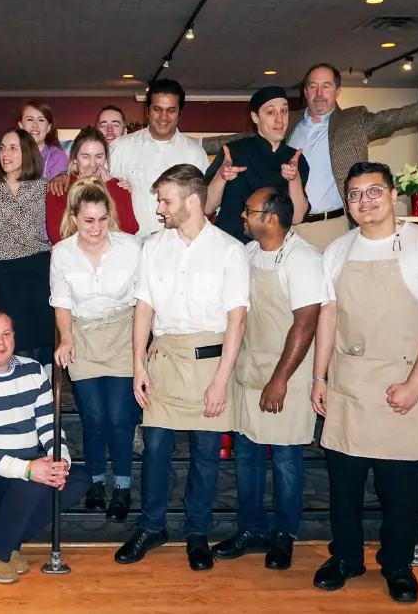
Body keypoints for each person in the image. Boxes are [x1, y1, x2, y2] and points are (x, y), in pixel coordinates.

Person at [311, 162, 418, 604]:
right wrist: (320, 377)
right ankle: (346, 558)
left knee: (399, 489)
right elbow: (329, 317)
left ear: (393, 194)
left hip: (403, 381)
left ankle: (397, 563)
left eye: (373, 191)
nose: (364, 201)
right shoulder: (337, 249)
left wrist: (415, 384)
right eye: (355, 194)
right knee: (344, 485)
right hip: (349, 385)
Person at [202, 62, 418, 249]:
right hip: (287, 228)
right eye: (312, 86)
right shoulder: (285, 121)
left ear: (338, 91)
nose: (319, 93)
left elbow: (403, 116)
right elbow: (242, 140)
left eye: (326, 86)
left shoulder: (356, 120)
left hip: (334, 226)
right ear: (304, 91)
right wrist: (191, 143)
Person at [115, 164, 249, 571]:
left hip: (211, 362)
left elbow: (237, 320)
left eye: (165, 200)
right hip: (165, 358)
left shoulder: (230, 250)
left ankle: (197, 532)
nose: (159, 208)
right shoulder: (154, 246)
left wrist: (221, 381)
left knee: (206, 455)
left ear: (193, 200)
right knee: (155, 449)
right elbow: (144, 309)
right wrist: (138, 365)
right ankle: (152, 526)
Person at [212, 187, 328, 571]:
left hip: (286, 373)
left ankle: (284, 534)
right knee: (246, 455)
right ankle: (251, 530)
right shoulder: (246, 254)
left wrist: (279, 380)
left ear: (272, 220)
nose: (242, 216)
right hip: (249, 368)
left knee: (285, 459)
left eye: (249, 210)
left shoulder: (303, 259)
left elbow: (306, 323)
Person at [0, 311, 90, 583]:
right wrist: (29, 470)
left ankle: (8, 541)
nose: (0, 342)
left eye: (6, 334)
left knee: (79, 479)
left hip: (24, 469)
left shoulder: (34, 370)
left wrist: (59, 460)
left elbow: (49, 424)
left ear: (15, 337)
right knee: (33, 482)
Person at [50, 178, 142, 520]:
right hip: (83, 335)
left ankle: (122, 485)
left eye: (102, 219)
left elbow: (144, 300)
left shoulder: (130, 247)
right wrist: (67, 337)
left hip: (122, 332)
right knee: (94, 418)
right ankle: (95, 482)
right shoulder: (62, 253)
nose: (96, 228)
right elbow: (61, 302)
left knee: (119, 417)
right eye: (88, 220)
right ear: (75, 217)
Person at [0, 129, 55, 373]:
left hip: (39, 271)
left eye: (13, 148)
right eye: (2, 147)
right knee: (13, 344)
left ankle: (45, 403)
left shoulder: (45, 187)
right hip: (5, 272)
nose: (5, 153)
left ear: (27, 152)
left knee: (43, 348)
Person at [204, 87, 310, 244]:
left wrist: (294, 179)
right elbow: (206, 208)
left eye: (284, 111)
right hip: (230, 244)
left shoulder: (295, 160)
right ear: (255, 117)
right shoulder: (233, 152)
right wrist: (221, 176)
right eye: (270, 112)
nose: (279, 119)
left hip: (271, 250)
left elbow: (297, 217)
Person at [109, 80, 209, 240]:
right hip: (127, 243)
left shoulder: (194, 153)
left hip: (176, 246)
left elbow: (203, 206)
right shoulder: (121, 147)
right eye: (158, 109)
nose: (164, 117)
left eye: (171, 110)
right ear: (147, 111)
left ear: (180, 113)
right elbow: (100, 192)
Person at [45, 126, 139, 244]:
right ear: (75, 159)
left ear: (105, 158)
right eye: (85, 157)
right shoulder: (60, 188)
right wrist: (80, 188)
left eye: (99, 156)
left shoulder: (118, 186)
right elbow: (58, 237)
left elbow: (128, 231)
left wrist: (113, 188)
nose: (93, 164)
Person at [18, 99, 68, 179]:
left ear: (48, 128)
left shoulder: (57, 156)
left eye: (41, 120)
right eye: (30, 119)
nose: (35, 125)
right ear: (21, 125)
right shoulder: (11, 155)